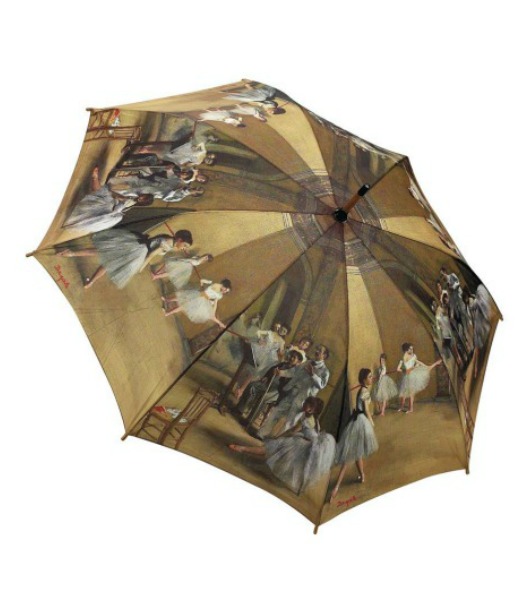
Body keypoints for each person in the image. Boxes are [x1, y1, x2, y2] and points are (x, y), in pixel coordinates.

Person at [228, 396, 336, 495]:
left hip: (305, 444)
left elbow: (293, 431)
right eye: (306, 403)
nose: (305, 405)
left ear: (312, 410)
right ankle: (244, 449)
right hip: (307, 443)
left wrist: (280, 437)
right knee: (277, 450)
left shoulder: (307, 419)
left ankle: (243, 449)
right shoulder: (313, 420)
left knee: (274, 447)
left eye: (308, 405)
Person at [57, 229, 193, 289]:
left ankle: (90, 281)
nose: (183, 248)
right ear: (180, 240)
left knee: (109, 261)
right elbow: (152, 254)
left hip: (138, 249)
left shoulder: (169, 240)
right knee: (104, 253)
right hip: (137, 251)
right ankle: (71, 254)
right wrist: (141, 266)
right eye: (185, 245)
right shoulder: (168, 243)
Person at [330, 369, 378, 500]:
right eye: (369, 376)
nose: (371, 378)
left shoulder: (361, 390)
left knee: (358, 453)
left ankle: (362, 475)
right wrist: (372, 423)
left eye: (371, 376)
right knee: (350, 457)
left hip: (357, 421)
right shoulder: (365, 391)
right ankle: (336, 488)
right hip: (360, 422)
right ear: (364, 379)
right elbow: (366, 410)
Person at [62, 166, 154, 235]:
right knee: (106, 193)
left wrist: (116, 197)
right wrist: (115, 195)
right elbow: (120, 199)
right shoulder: (133, 197)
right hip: (113, 204)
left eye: (143, 199)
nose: (141, 197)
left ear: (142, 202)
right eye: (144, 196)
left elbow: (118, 207)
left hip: (109, 209)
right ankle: (96, 180)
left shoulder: (132, 203)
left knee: (103, 195)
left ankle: (94, 177)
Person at [162, 278, 231, 329]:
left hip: (203, 301)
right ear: (224, 285)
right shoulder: (216, 285)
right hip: (200, 296)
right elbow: (203, 284)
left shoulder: (220, 295)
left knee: (183, 305)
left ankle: (168, 312)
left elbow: (215, 303)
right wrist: (202, 284)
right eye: (225, 289)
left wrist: (213, 311)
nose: (225, 291)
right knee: (183, 299)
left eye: (226, 291)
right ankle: (167, 301)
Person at [397, 343, 442, 413]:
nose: (412, 350)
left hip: (412, 375)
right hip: (407, 375)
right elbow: (398, 369)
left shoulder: (413, 356)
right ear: (406, 350)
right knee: (404, 393)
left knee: (411, 393)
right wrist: (405, 370)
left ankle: (411, 409)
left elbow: (418, 362)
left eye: (412, 349)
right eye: (410, 349)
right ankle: (402, 407)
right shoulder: (404, 357)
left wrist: (425, 366)